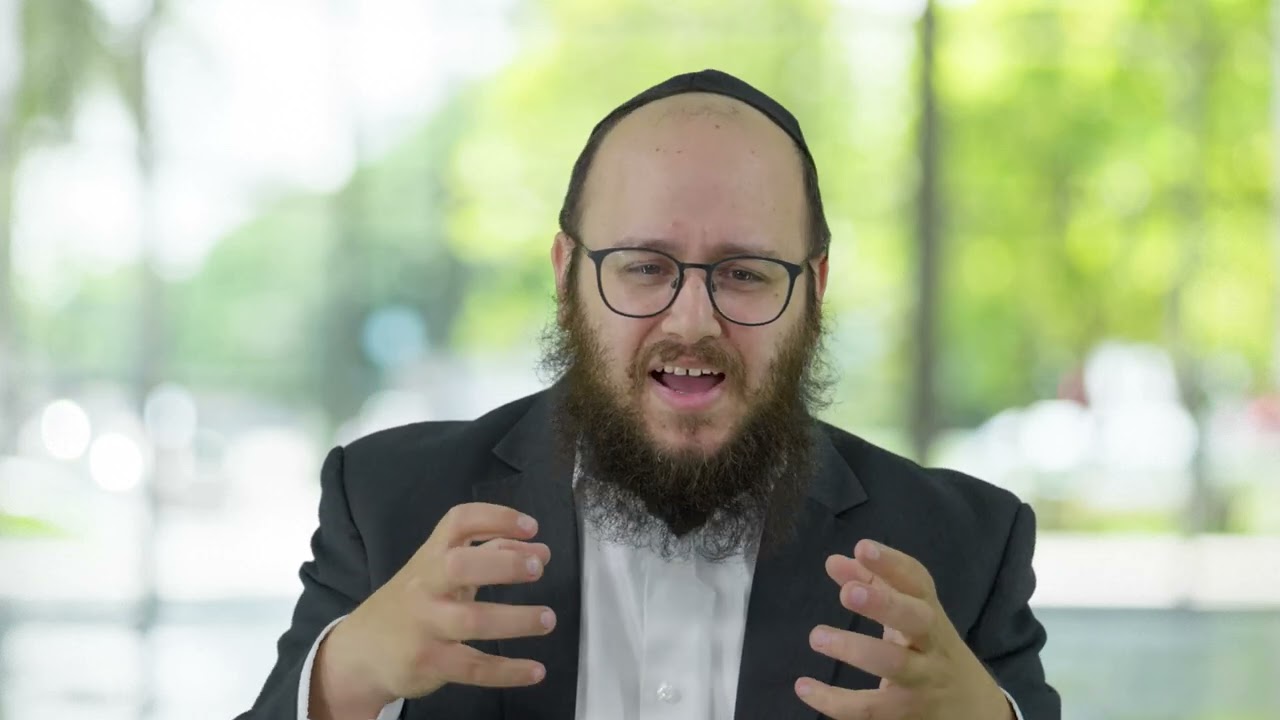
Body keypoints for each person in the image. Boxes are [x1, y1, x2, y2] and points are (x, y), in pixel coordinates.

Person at [240, 69, 1059, 720]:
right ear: (567, 274)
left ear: (813, 289)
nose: (692, 320)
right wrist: (347, 675)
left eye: (745, 274)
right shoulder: (388, 503)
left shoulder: (966, 544)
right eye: (642, 267)